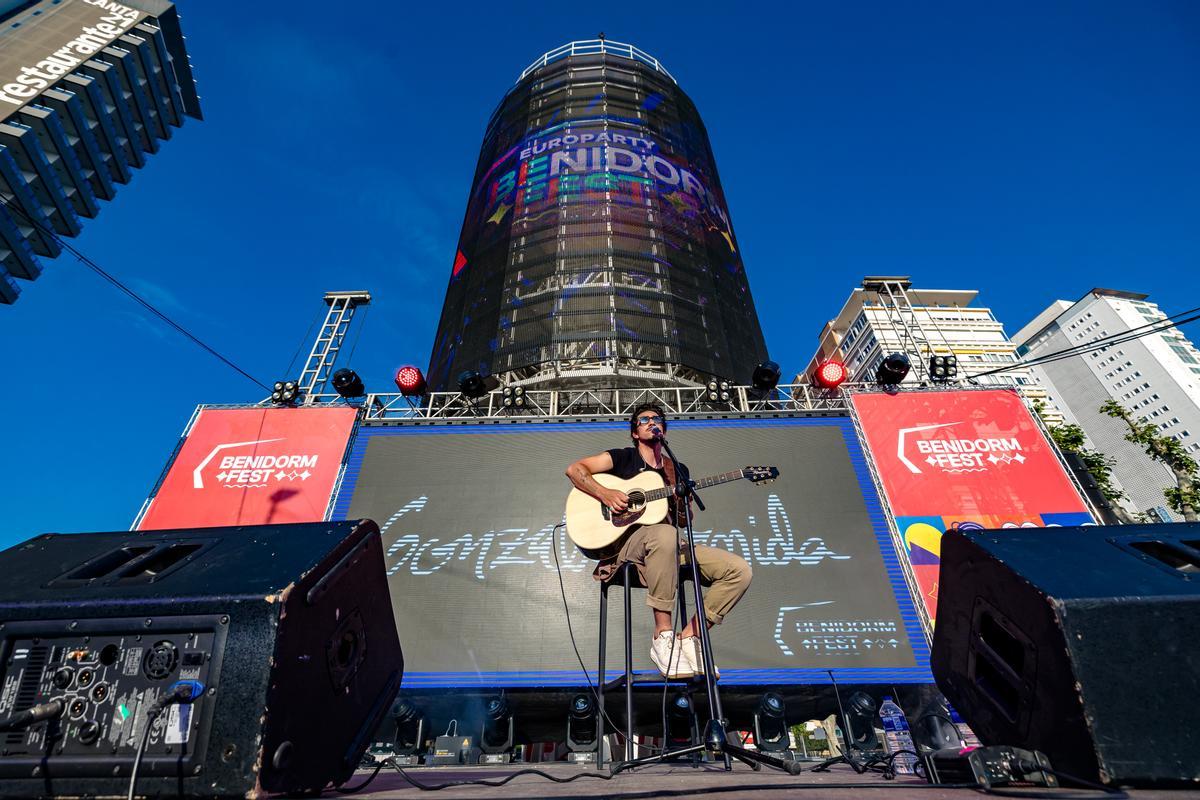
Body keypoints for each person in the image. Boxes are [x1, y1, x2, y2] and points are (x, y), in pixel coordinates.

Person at [564, 403, 753, 679]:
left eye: (657, 419)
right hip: (627, 548)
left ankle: (689, 637)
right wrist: (605, 493)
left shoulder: (676, 469)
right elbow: (575, 470)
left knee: (738, 570)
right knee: (665, 536)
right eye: (644, 419)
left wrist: (683, 502)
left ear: (664, 428)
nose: (652, 422)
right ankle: (662, 636)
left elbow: (683, 523)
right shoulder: (622, 458)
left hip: (667, 546)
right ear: (635, 432)